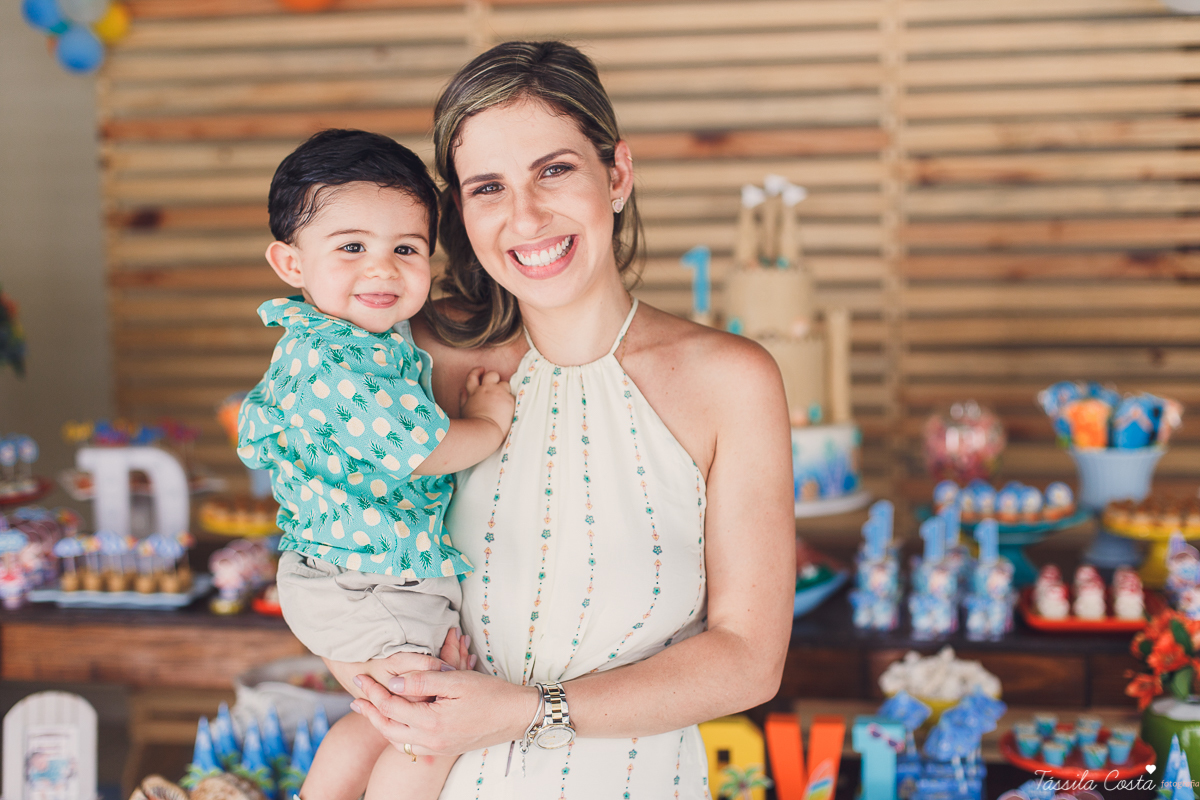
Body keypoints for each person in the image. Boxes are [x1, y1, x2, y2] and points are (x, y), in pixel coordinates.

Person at [326, 41, 795, 798]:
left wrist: (523, 712)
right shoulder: (415, 364)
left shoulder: (730, 382)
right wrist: (374, 674)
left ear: (616, 175)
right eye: (487, 187)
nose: (525, 216)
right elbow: (327, 541)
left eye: (554, 169)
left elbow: (748, 658)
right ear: (460, 213)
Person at [236, 128, 515, 799]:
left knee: (378, 726)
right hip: (365, 586)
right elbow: (430, 453)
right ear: (291, 263)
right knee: (428, 728)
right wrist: (492, 420)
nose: (382, 268)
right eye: (352, 247)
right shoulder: (338, 363)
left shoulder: (356, 341)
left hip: (357, 577)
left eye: (406, 249)